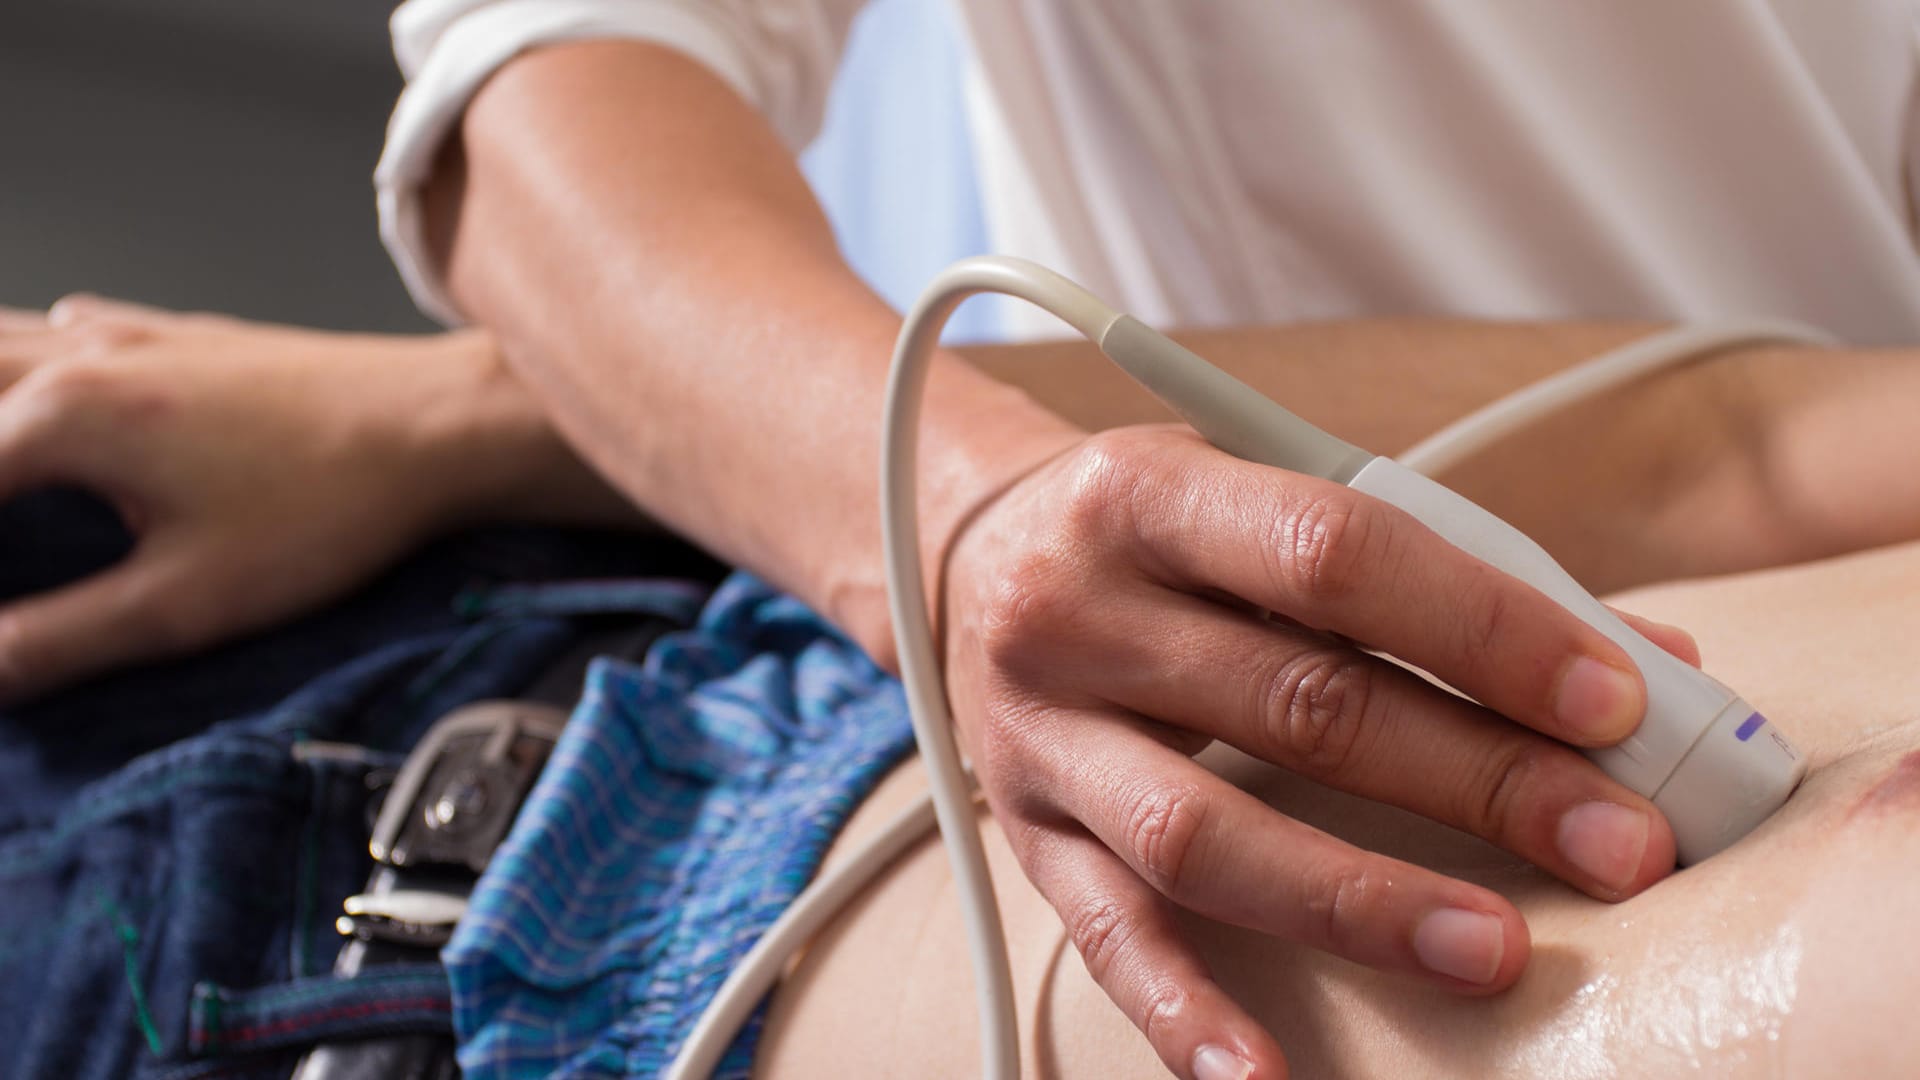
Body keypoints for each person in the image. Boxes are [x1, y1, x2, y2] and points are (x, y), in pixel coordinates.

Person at [372, 3, 1920, 1076]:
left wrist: (486, 420)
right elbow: (544, 89)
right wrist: (957, 510)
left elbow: (1774, 432)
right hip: (738, 798)